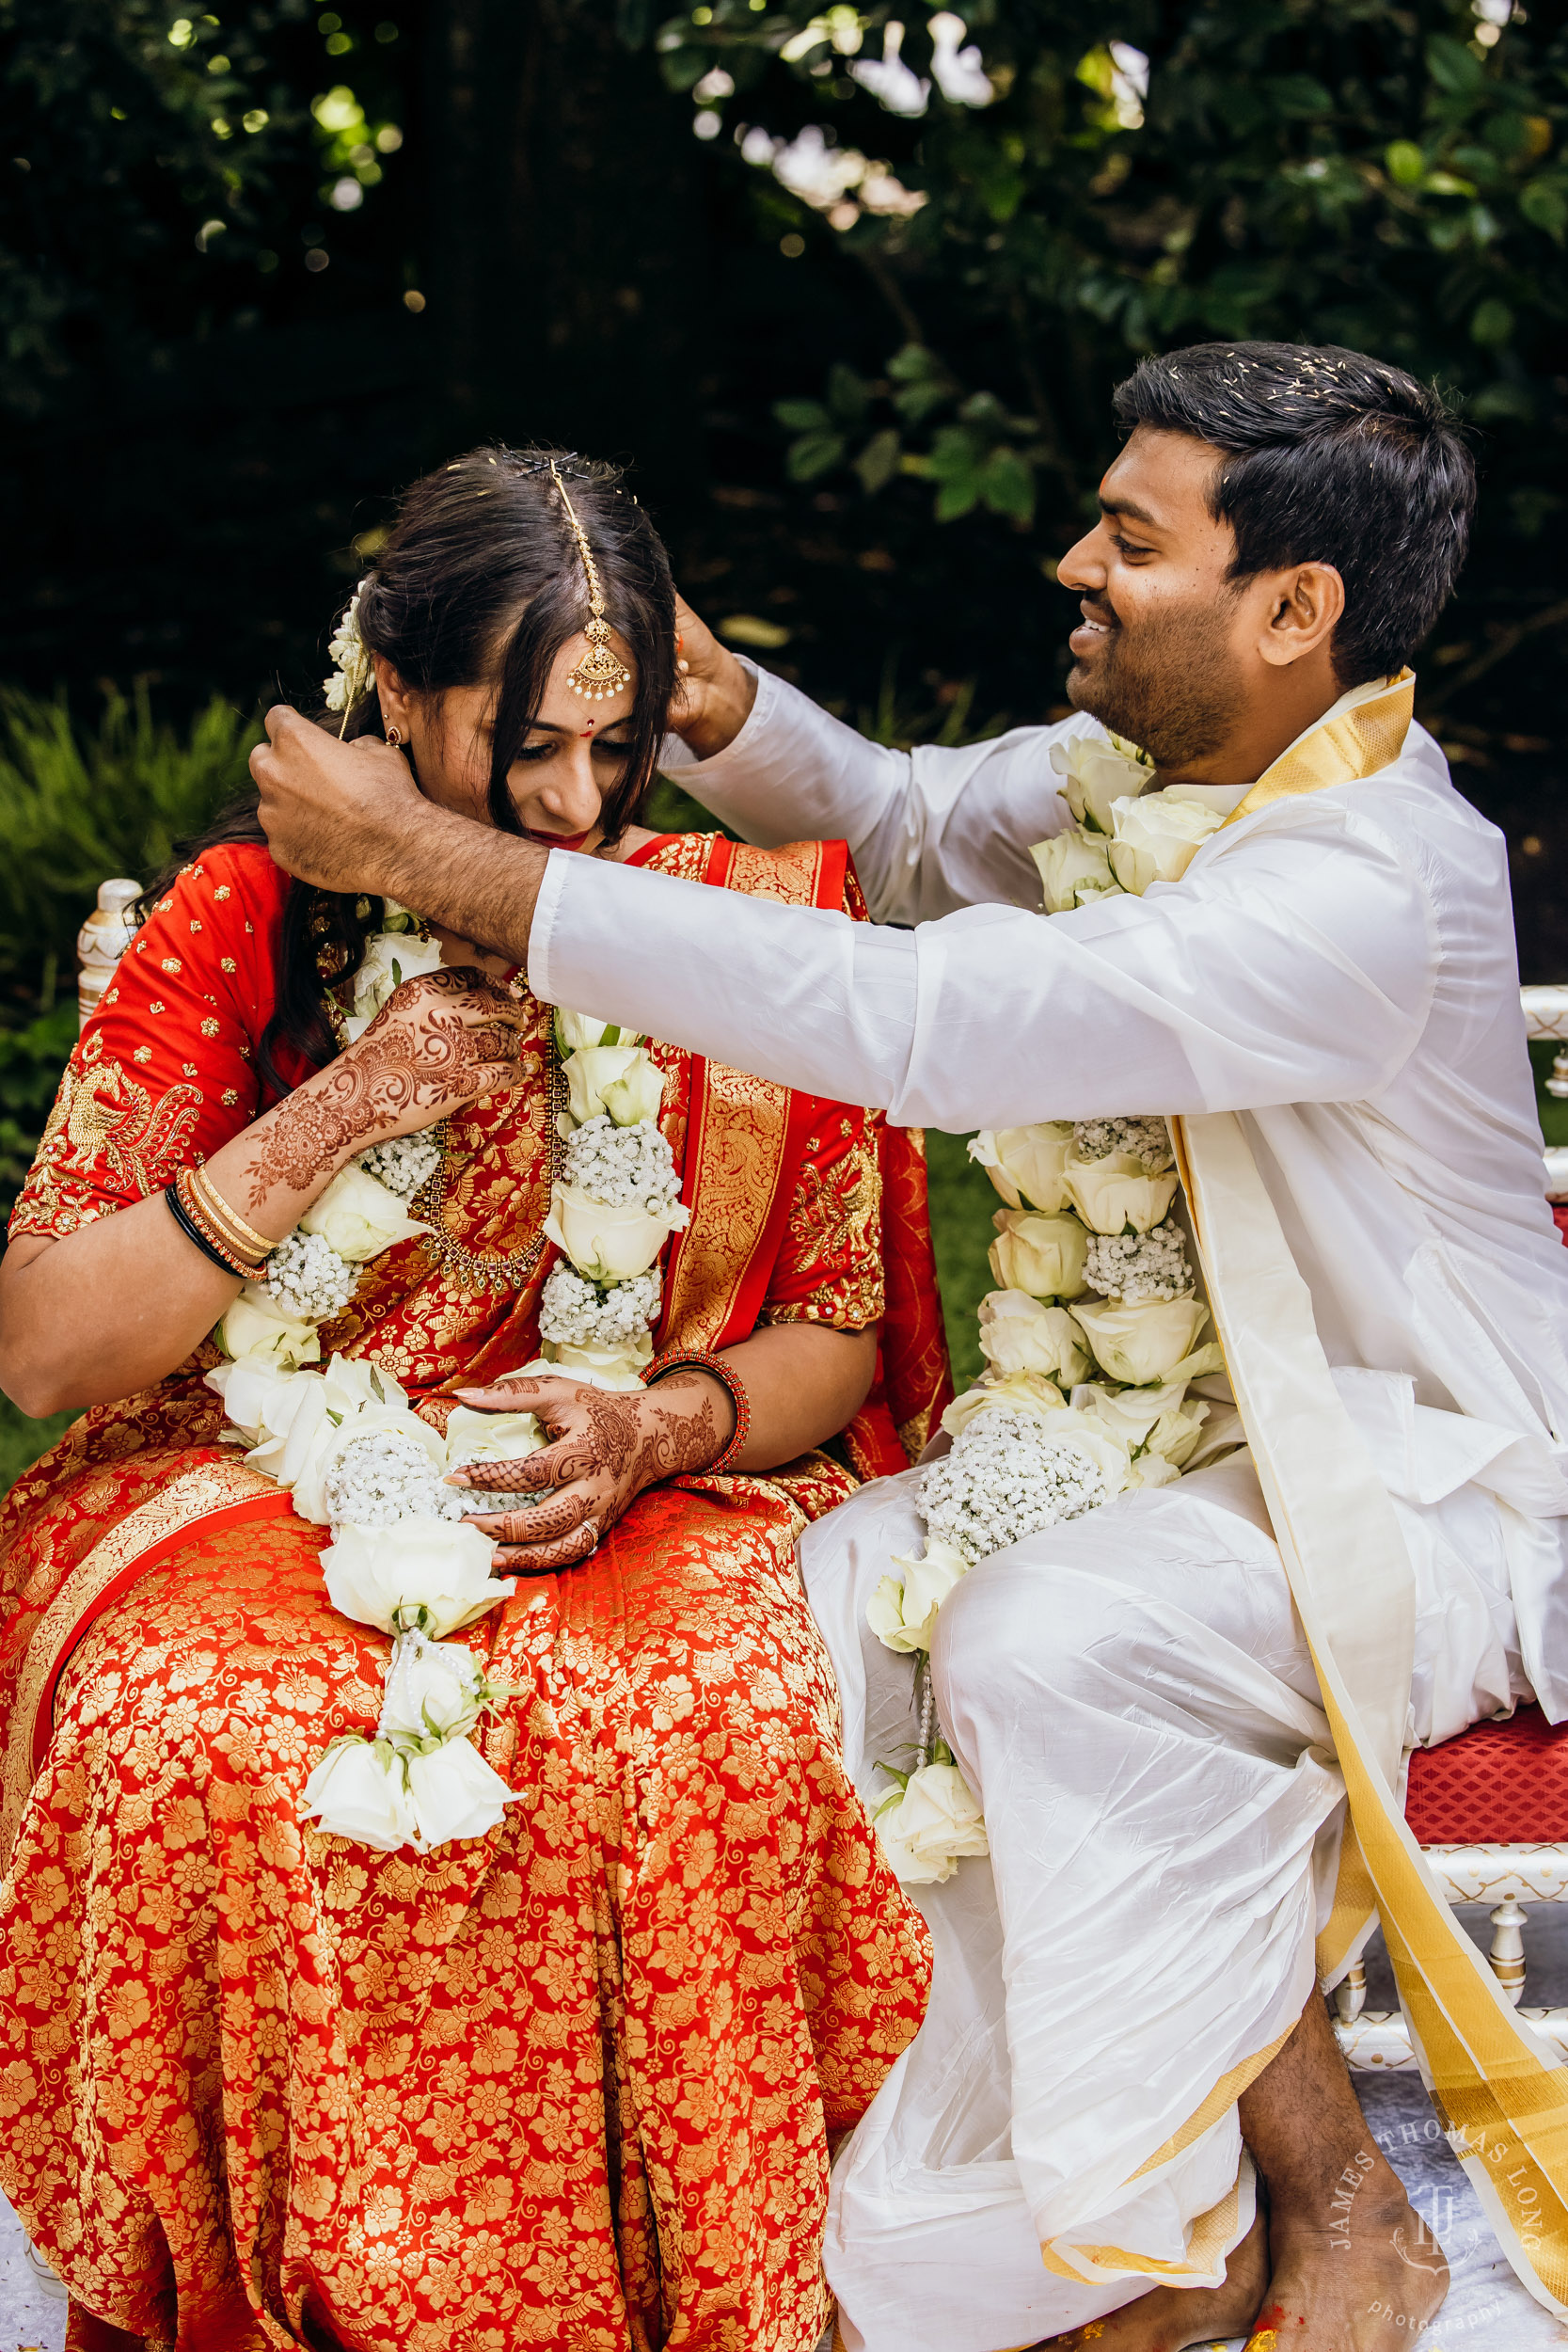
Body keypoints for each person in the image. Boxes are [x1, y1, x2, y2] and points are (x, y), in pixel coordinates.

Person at [247, 343, 1568, 2352]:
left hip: (1425, 1474)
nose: (1076, 565)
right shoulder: (1151, 774)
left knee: (1041, 1638)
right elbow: (903, 823)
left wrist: (455, 870)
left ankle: (1274, 2219)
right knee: (810, 1621)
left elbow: (926, 1024)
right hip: (1177, 1441)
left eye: (1131, 539)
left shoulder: (1370, 884)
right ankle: (1152, 2228)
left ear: (1294, 608)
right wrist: (712, 701)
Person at [0, 446, 948, 2352]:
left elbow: (835, 1329)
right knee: (203, 1726)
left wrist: (658, 1426)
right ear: (397, 688)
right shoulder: (246, 918)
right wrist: (347, 1107)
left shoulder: (734, 917)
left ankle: (693, 2296)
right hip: (246, 1471)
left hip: (643, 1469)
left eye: (616, 748)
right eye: (527, 748)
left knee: (698, 1724)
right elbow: (42, 1348)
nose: (580, 803)